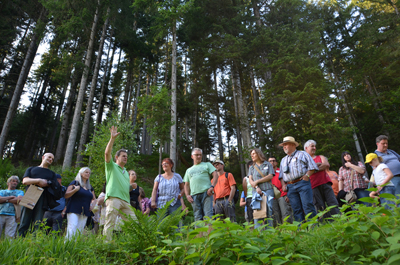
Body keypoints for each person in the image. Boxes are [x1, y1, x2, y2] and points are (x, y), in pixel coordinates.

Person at [104, 126, 137, 242]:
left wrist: (130, 187)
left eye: (127, 156)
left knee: (134, 223)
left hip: (125, 201)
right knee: (110, 222)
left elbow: (124, 188)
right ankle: (105, 245)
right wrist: (112, 139)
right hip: (113, 198)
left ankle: (132, 244)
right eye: (123, 156)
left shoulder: (126, 172)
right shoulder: (111, 166)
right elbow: (107, 153)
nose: (126, 158)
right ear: (116, 157)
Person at [18, 153, 62, 237]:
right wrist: (39, 180)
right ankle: (19, 241)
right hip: (30, 195)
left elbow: (55, 185)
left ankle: (34, 243)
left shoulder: (52, 173)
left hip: (43, 197)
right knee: (24, 221)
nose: (50, 160)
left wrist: (46, 183)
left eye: (52, 159)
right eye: (49, 157)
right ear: (43, 157)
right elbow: (25, 181)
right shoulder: (31, 169)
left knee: (37, 223)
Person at [278, 136, 319, 223]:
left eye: (286, 144)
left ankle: (313, 227)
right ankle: (300, 230)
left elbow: (313, 167)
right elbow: (281, 175)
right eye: (283, 145)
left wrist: (307, 176)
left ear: (293, 145)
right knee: (296, 209)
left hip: (302, 183)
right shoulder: (283, 160)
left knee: (307, 205)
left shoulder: (303, 154)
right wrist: (283, 185)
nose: (284, 147)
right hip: (290, 186)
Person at [304, 140, 340, 220]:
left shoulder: (320, 157)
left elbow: (326, 165)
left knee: (332, 202)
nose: (314, 148)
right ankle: (325, 222)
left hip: (325, 182)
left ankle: (337, 219)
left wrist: (312, 169)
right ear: (306, 148)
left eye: (314, 146)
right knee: (319, 205)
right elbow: (304, 171)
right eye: (312, 146)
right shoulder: (304, 160)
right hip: (313, 185)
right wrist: (317, 166)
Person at [183, 148, 219, 222]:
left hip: (207, 193)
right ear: (192, 156)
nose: (199, 157)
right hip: (194, 196)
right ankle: (199, 234)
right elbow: (186, 184)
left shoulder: (207, 164)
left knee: (208, 216)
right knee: (197, 217)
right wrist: (187, 195)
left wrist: (212, 186)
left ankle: (209, 233)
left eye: (200, 155)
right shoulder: (188, 170)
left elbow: (215, 175)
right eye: (197, 155)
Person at [64, 167, 96, 240]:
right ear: (81, 173)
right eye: (86, 172)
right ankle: (67, 246)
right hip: (73, 209)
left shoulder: (89, 187)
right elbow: (66, 195)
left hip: (85, 211)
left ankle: (75, 248)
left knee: (79, 231)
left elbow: (94, 199)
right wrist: (75, 190)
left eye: (89, 173)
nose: (88, 174)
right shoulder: (75, 183)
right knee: (72, 227)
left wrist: (93, 205)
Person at [248, 148, 274, 228]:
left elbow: (270, 176)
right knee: (257, 212)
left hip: (268, 190)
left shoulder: (268, 164)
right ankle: (258, 232)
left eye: (254, 154)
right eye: (251, 154)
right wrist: (256, 187)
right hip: (256, 192)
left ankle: (270, 231)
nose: (252, 155)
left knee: (269, 211)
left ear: (259, 154)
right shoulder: (251, 167)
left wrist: (257, 181)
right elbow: (250, 180)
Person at [268, 156, 293, 226]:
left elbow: (288, 181)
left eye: (273, 161)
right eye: (270, 161)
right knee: (275, 215)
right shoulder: (267, 174)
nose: (272, 162)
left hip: (283, 194)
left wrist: (288, 194)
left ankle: (288, 229)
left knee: (286, 213)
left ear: (276, 163)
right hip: (272, 197)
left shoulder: (281, 171)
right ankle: (279, 231)